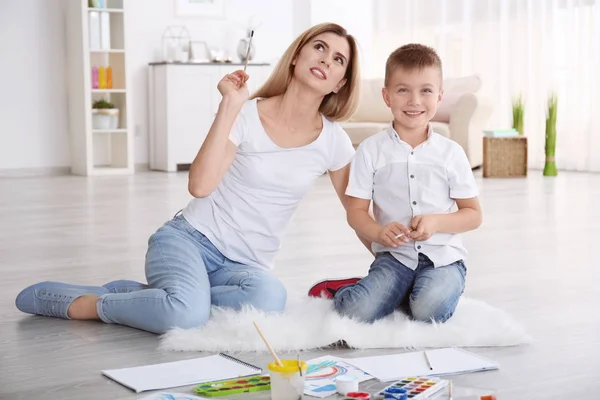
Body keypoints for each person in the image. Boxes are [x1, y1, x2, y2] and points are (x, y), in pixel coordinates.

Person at [15, 23, 366, 334]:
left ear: (341, 83)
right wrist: (229, 105)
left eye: (338, 60)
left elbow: (359, 212)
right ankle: (88, 305)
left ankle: (161, 299)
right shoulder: (245, 114)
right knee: (184, 317)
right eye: (319, 47)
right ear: (296, 56)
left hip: (244, 268)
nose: (326, 60)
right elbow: (199, 186)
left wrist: (397, 263)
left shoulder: (332, 141)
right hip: (189, 242)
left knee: (270, 298)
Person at [308, 44, 482, 324]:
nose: (414, 100)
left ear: (439, 96)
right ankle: (359, 289)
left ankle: (408, 293)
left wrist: (436, 223)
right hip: (394, 260)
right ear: (387, 96)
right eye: (403, 90)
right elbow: (356, 212)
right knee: (355, 312)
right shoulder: (370, 150)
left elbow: (473, 215)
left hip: (443, 259)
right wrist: (378, 232)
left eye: (425, 90)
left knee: (429, 310)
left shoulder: (452, 153)